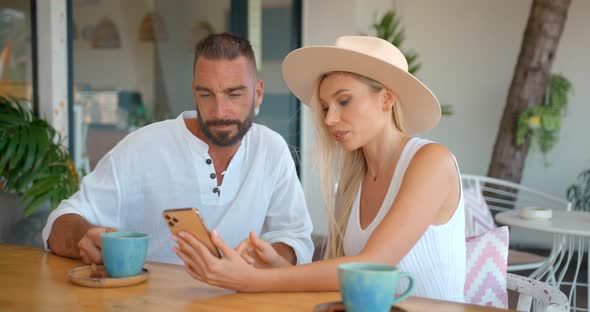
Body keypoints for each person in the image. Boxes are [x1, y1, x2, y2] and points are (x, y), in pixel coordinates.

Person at [171, 36, 466, 302]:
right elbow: (344, 278)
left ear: (386, 98)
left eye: (344, 101)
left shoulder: (432, 162)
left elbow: (372, 265)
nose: (329, 119)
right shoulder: (352, 183)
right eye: (325, 106)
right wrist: (276, 264)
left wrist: (254, 280)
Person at [42, 33, 314, 266]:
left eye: (234, 94)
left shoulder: (271, 149)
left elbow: (296, 239)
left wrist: (262, 260)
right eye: (206, 95)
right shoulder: (143, 147)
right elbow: (59, 223)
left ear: (259, 92)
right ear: (195, 92)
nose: (220, 111)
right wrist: (82, 238)